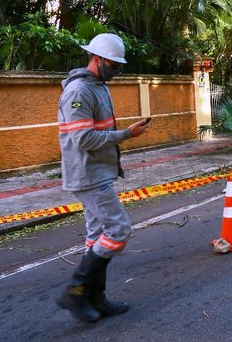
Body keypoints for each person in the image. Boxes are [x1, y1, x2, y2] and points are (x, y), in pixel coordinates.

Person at [55, 32, 151, 323]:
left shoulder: (98, 86)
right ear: (96, 58)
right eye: (112, 63)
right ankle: (75, 291)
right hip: (88, 174)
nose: (115, 69)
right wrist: (126, 135)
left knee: (97, 236)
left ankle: (96, 298)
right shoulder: (79, 91)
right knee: (119, 230)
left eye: (118, 65)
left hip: (99, 171)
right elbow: (84, 138)